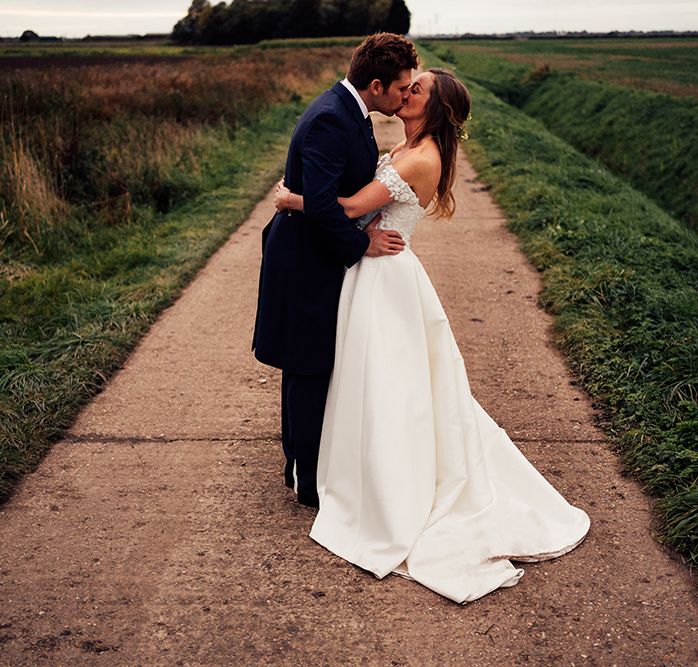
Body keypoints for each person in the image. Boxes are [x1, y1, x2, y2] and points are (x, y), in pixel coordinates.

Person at [273, 68, 591, 604]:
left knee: (391, 385)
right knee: (377, 381)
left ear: (433, 108)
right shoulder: (408, 146)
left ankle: (392, 482)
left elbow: (350, 208)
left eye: (415, 89)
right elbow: (359, 207)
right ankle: (360, 466)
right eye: (405, 85)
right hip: (373, 271)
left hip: (386, 277)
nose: (405, 92)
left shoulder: (421, 157)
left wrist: (292, 200)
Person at [252, 33, 419, 508]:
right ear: (376, 83)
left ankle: (298, 464)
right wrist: (363, 245)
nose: (405, 95)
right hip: (307, 259)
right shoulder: (330, 118)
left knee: (309, 364)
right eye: (401, 87)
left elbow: (338, 193)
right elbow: (324, 207)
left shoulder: (351, 111)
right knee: (309, 366)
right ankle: (308, 481)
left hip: (315, 253)